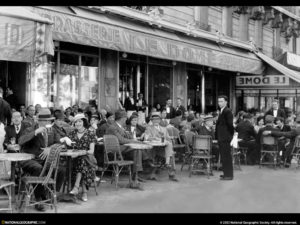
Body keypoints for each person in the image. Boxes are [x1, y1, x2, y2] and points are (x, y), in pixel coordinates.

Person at [18, 108, 65, 211]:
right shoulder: (30, 129)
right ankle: (39, 199)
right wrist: (35, 132)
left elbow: (60, 143)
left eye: (49, 120)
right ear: (39, 121)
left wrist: (50, 148)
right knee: (38, 168)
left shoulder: (51, 130)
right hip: (30, 159)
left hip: (44, 160)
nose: (48, 123)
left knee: (61, 169)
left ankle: (52, 194)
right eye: (46, 121)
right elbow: (20, 141)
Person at [105, 110, 153, 187]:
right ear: (122, 118)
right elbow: (121, 140)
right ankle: (137, 175)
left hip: (122, 149)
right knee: (137, 149)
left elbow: (127, 136)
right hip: (115, 151)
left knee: (137, 151)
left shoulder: (120, 126)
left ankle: (135, 179)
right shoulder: (113, 127)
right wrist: (134, 141)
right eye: (125, 118)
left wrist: (133, 139)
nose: (126, 119)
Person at [65, 114, 98, 202]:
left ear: (84, 122)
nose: (78, 123)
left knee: (82, 160)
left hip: (88, 158)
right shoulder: (71, 134)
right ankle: (84, 192)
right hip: (73, 159)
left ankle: (76, 187)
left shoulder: (90, 133)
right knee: (82, 163)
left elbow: (91, 151)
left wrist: (80, 153)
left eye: (80, 121)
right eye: (76, 122)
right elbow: (68, 147)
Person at [144, 114, 178, 182]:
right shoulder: (149, 128)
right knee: (170, 153)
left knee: (169, 148)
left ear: (159, 120)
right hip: (154, 149)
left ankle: (170, 171)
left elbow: (168, 139)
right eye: (154, 119)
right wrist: (155, 138)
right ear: (152, 121)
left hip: (163, 149)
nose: (156, 121)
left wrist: (166, 141)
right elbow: (146, 138)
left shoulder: (164, 129)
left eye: (157, 119)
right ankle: (169, 169)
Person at [215, 95, 234, 180]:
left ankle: (229, 175)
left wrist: (230, 134)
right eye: (219, 101)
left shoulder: (227, 111)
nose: (219, 103)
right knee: (224, 156)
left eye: (221, 101)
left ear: (226, 102)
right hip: (222, 137)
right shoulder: (222, 111)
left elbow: (230, 125)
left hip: (225, 137)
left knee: (226, 156)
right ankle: (226, 173)